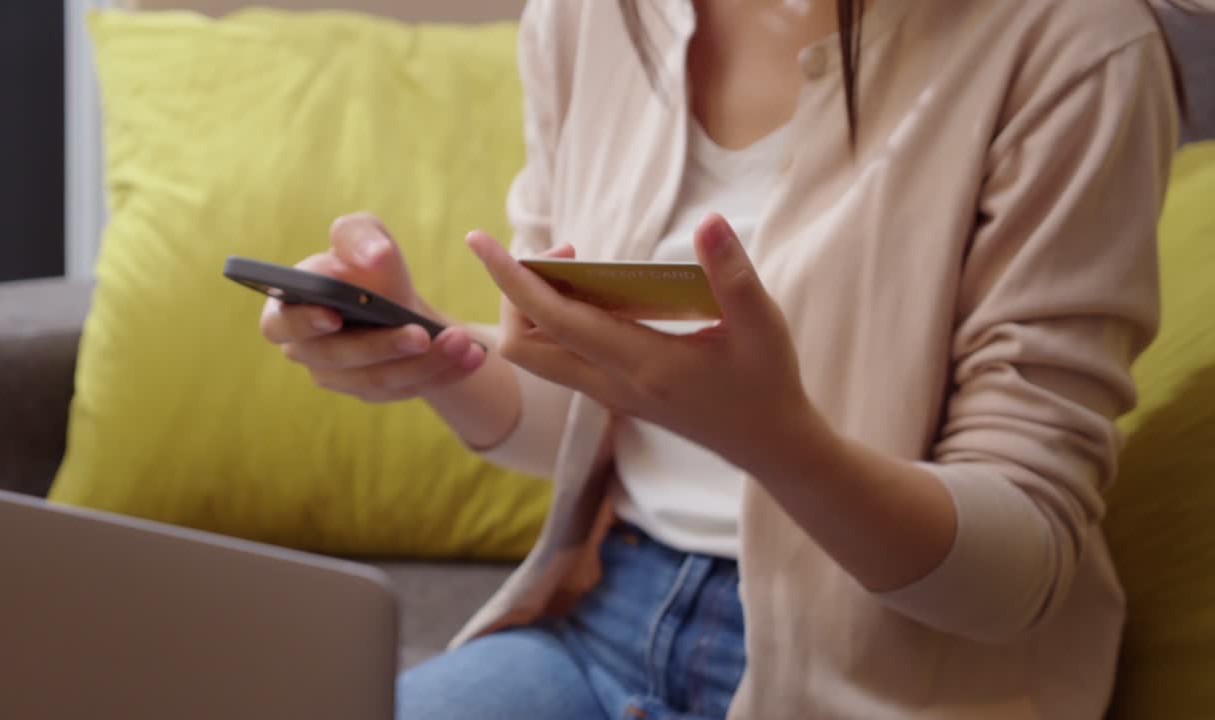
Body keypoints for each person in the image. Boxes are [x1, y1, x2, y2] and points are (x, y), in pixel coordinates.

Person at [260, 0, 1185, 717]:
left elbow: (1016, 575)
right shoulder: (592, 19)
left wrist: (778, 442)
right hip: (604, 620)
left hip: (895, 682)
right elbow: (590, 423)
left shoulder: (1076, 47)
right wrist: (435, 358)